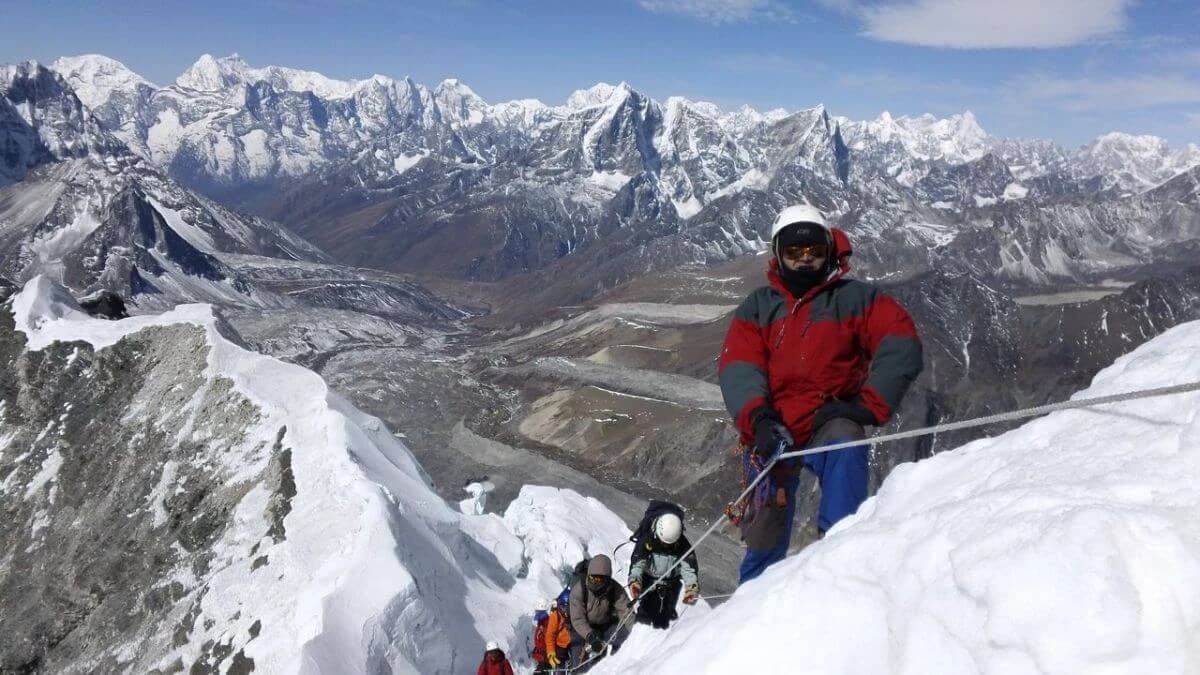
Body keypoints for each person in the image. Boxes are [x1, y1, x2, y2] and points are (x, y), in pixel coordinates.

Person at [718, 204, 923, 584]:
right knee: (765, 533)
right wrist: (758, 419)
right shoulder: (758, 307)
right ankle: (751, 604)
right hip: (771, 428)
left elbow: (901, 341)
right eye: (794, 251)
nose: (805, 257)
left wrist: (866, 406)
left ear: (829, 249)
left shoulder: (855, 299)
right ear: (778, 254)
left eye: (813, 248)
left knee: (845, 442)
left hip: (826, 419)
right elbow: (739, 366)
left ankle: (840, 555)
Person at [627, 509, 700, 629]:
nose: (666, 546)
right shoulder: (647, 540)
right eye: (664, 543)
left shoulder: (682, 544)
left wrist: (691, 588)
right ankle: (639, 638)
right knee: (644, 616)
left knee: (665, 618)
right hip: (648, 581)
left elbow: (689, 568)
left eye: (670, 544)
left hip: (671, 585)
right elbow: (637, 565)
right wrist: (635, 582)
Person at [568, 554, 631, 667]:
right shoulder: (579, 590)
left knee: (624, 636)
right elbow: (577, 619)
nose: (596, 582)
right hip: (581, 630)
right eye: (593, 578)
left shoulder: (614, 589)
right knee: (580, 665)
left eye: (600, 579)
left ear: (607, 579)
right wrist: (590, 635)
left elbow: (626, 611)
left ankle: (619, 664)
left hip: (604, 626)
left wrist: (635, 633)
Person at [544, 594, 573, 670]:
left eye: (568, 607)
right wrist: (551, 652)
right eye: (563, 607)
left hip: (574, 642)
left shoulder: (576, 613)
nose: (566, 610)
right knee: (559, 664)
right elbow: (550, 635)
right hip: (561, 644)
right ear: (559, 606)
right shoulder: (555, 616)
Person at [531, 599, 550, 673]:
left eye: (539, 611)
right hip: (542, 657)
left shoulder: (548, 623)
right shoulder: (540, 623)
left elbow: (549, 640)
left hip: (547, 658)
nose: (537, 613)